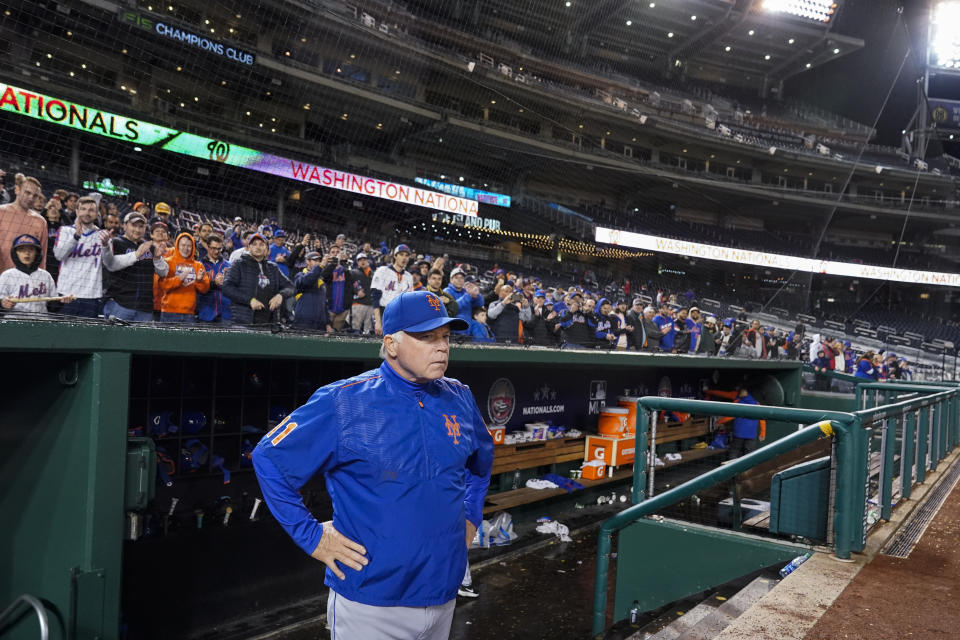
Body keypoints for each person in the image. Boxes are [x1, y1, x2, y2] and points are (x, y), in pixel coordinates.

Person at [251, 290, 492, 639]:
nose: (441, 346)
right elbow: (268, 458)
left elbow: (481, 463)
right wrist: (313, 537)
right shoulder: (343, 401)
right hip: (371, 604)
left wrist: (471, 514)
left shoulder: (459, 396)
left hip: (443, 593)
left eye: (445, 336)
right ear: (391, 344)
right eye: (426, 337)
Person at [102, 212, 170, 322]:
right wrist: (136, 255)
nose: (137, 230)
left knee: (141, 339)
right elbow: (110, 265)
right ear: (125, 225)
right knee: (115, 339)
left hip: (144, 308)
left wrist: (157, 258)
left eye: (141, 226)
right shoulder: (116, 243)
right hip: (119, 304)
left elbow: (164, 272)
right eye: (134, 225)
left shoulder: (149, 246)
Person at [222, 233, 294, 326]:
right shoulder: (239, 264)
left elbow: (291, 287)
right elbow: (227, 288)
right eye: (254, 244)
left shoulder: (273, 268)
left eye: (261, 244)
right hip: (243, 322)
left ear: (267, 248)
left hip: (268, 322)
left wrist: (280, 295)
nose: (258, 247)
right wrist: (250, 300)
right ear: (249, 247)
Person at [54, 196, 106, 318]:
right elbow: (59, 255)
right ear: (77, 211)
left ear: (97, 214)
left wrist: (107, 247)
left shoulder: (102, 235)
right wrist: (76, 237)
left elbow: (110, 264)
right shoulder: (65, 230)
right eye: (83, 209)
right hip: (67, 294)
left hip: (91, 296)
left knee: (87, 336)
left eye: (91, 210)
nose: (87, 213)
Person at [0, 234, 74, 314]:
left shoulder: (46, 275)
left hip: (41, 321)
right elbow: (1, 304)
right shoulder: (7, 275)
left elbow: (52, 307)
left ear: (37, 253)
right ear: (15, 253)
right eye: (21, 249)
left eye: (31, 249)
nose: (27, 253)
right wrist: (2, 303)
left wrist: (61, 301)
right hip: (15, 321)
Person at [0, 173, 48, 275]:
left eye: (35, 195)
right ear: (17, 190)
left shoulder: (40, 222)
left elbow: (41, 257)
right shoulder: (1, 213)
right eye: (27, 193)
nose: (31, 197)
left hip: (26, 281)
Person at [157, 233, 210, 323]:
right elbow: (162, 285)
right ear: (177, 245)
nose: (186, 248)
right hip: (169, 312)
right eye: (183, 245)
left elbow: (205, 289)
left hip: (189, 314)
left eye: (189, 245)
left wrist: (199, 280)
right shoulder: (167, 262)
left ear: (193, 247)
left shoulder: (198, 265)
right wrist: (179, 279)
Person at [706, 386, 766, 459]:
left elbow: (730, 416)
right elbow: (762, 419)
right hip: (751, 434)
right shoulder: (757, 404)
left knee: (734, 451)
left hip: (739, 433)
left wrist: (719, 421)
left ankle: (732, 467)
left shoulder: (738, 402)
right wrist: (762, 433)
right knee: (749, 453)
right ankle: (747, 468)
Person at [371, 243, 414, 335]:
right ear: (395, 256)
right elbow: (375, 297)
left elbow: (408, 301)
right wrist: (378, 321)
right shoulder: (382, 271)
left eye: (407, 255)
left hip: (400, 315)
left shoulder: (409, 276)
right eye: (401, 254)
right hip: (384, 312)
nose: (404, 258)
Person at [293, 251, 332, 332]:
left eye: (319, 261)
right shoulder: (300, 275)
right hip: (304, 322)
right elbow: (306, 281)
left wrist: (327, 323)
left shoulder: (320, 281)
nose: (318, 263)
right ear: (307, 261)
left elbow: (324, 304)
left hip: (320, 324)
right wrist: (320, 266)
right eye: (315, 260)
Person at [197, 234, 231, 324]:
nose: (216, 251)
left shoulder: (229, 265)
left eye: (219, 249)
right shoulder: (199, 265)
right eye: (213, 248)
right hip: (205, 311)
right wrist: (213, 283)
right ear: (207, 247)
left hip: (225, 312)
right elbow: (197, 288)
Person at [321, 248, 358, 330]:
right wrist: (334, 263)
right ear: (329, 255)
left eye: (338, 252)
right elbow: (324, 276)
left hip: (342, 310)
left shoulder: (346, 271)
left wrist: (347, 307)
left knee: (336, 336)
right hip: (328, 310)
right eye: (333, 252)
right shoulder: (326, 269)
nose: (335, 254)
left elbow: (351, 289)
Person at [444, 267, 483, 331]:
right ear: (451, 280)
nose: (459, 280)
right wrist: (468, 295)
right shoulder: (446, 291)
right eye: (456, 278)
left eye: (462, 278)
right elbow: (453, 307)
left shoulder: (466, 291)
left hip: (467, 329)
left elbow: (479, 304)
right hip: (454, 331)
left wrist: (476, 296)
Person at [351, 252, 375, 334]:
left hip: (370, 304)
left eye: (364, 259)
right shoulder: (353, 272)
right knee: (356, 329)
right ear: (357, 263)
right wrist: (356, 291)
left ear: (367, 261)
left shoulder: (373, 274)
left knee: (368, 330)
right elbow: (348, 284)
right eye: (360, 260)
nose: (362, 261)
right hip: (358, 304)